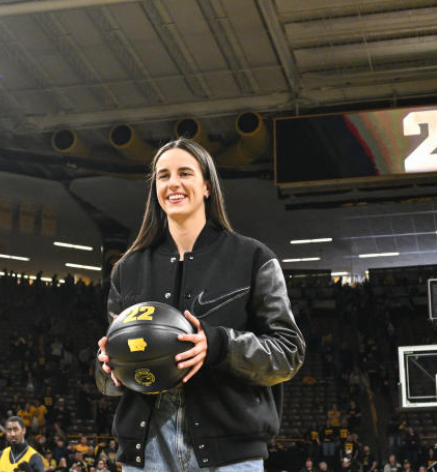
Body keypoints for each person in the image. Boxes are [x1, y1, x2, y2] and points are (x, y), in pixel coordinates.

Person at [96, 138, 306, 471]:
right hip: (147, 452)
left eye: (184, 173)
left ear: (207, 186)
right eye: (163, 176)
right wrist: (110, 368)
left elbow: (288, 353)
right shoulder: (128, 269)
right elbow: (108, 383)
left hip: (230, 454)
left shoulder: (253, 258)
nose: (173, 183)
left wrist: (220, 345)